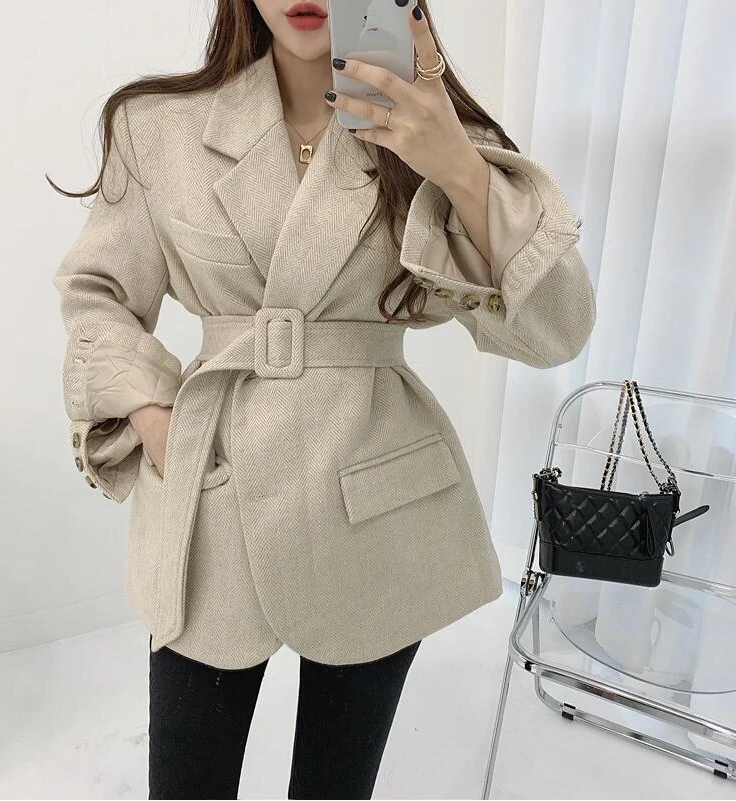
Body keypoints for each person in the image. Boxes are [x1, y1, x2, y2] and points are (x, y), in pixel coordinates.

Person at [49, 1, 596, 797]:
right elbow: (96, 292)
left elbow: (556, 331)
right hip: (214, 490)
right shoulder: (157, 126)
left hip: (375, 497)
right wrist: (155, 416)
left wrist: (457, 165)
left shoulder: (434, 131)